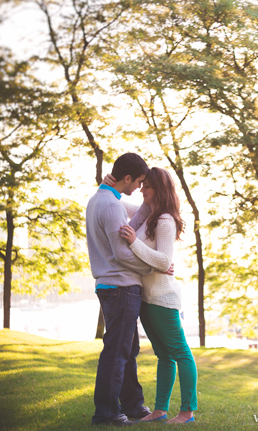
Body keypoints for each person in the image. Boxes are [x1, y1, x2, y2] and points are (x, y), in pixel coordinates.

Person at [103, 167, 198, 424]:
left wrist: (134, 241)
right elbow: (117, 205)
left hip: (163, 299)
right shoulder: (149, 214)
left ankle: (187, 411)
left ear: (159, 189)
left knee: (180, 353)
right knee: (164, 356)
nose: (142, 189)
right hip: (147, 299)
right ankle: (159, 411)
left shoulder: (165, 220)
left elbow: (164, 260)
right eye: (141, 185)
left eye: (147, 186)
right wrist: (107, 186)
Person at [86, 153, 172, 426]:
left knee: (128, 348)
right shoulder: (111, 206)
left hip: (114, 286)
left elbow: (141, 213)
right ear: (126, 178)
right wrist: (153, 268)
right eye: (139, 182)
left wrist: (150, 199)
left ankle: (133, 405)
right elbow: (122, 254)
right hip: (120, 286)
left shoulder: (102, 199)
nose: (139, 188)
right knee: (117, 351)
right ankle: (107, 413)